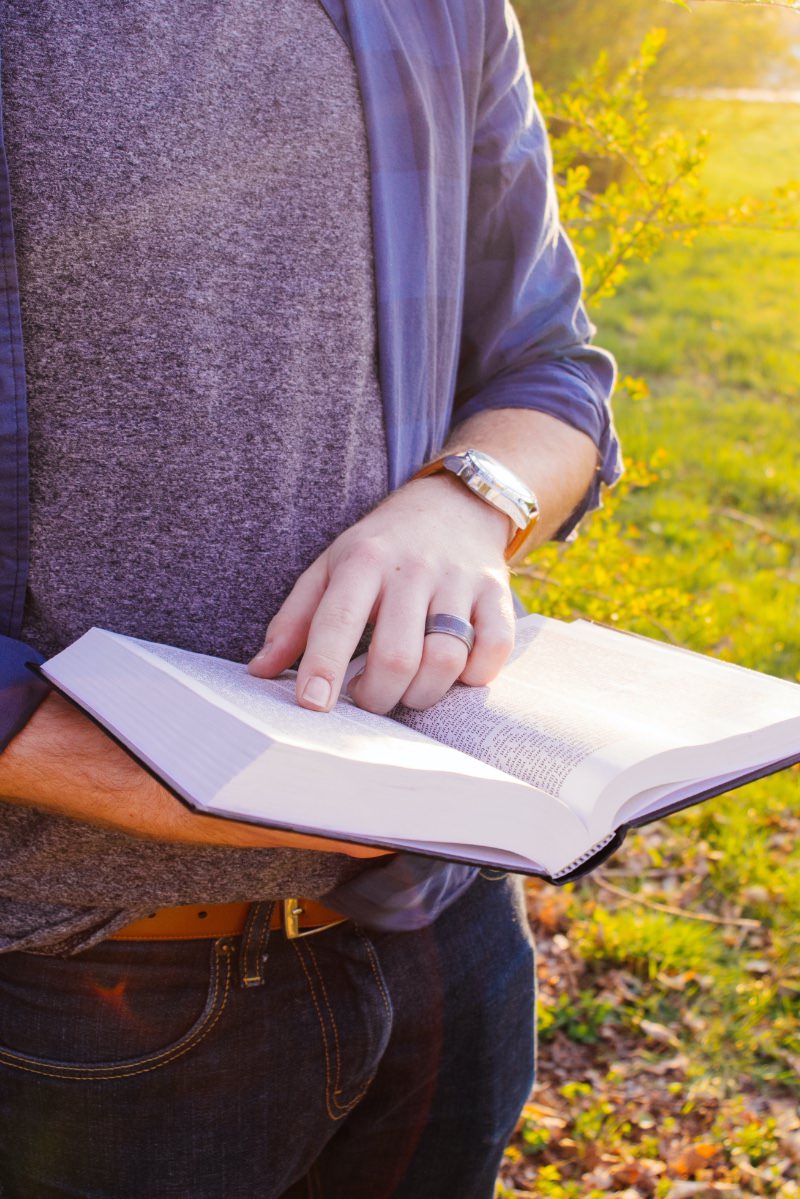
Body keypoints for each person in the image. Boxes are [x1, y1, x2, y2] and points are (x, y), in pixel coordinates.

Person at [0, 2, 620, 1196]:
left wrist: (463, 502)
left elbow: (550, 366)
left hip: (438, 931)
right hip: (61, 987)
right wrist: (50, 747)